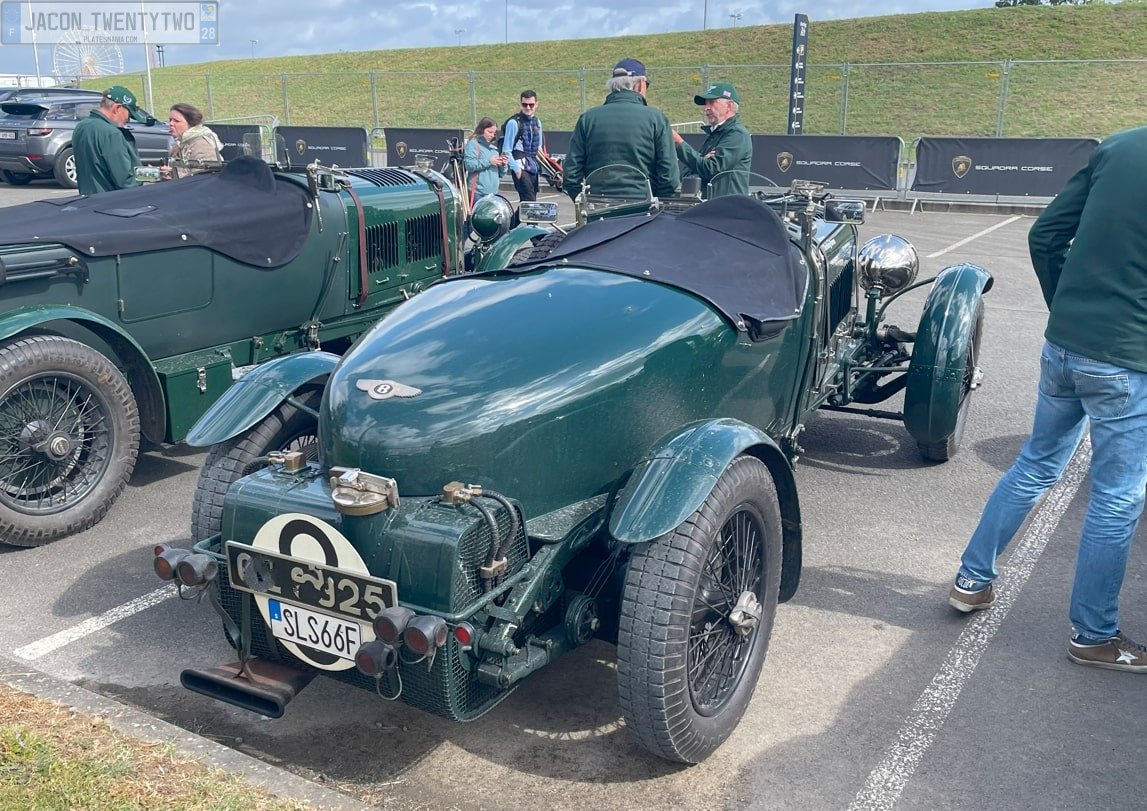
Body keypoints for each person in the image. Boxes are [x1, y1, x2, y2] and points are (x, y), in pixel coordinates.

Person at [947, 125, 1147, 674]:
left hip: (1066, 343)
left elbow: (1045, 235)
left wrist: (1065, 307)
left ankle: (972, 579)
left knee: (1036, 464)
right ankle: (1094, 634)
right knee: (1117, 497)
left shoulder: (1120, 146)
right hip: (1126, 357)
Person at [561, 58, 680, 201]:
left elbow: (571, 173)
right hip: (642, 205)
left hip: (597, 205)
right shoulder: (656, 118)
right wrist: (657, 202)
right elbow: (669, 177)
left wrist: (583, 201)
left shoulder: (587, 119)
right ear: (641, 85)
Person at [672, 82, 752, 198]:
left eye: (712, 102)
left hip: (727, 205)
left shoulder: (737, 134)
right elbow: (686, 174)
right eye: (706, 103)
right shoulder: (717, 134)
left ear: (729, 105)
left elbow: (710, 169)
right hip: (713, 204)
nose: (706, 108)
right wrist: (702, 161)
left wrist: (679, 144)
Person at [72, 85, 148, 195]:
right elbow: (125, 181)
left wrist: (153, 173)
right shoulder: (112, 134)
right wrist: (145, 177)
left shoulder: (81, 127)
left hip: (87, 199)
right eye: (129, 114)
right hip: (111, 201)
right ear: (117, 108)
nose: (129, 120)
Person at [501, 90, 543, 203]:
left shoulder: (537, 122)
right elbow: (506, 150)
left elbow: (539, 148)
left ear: (536, 104)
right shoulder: (513, 123)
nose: (528, 107)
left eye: (531, 105)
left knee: (528, 204)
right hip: (520, 166)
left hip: (533, 167)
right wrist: (517, 170)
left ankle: (514, 217)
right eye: (525, 104)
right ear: (520, 104)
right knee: (529, 202)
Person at [163, 103, 223, 179]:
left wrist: (172, 174)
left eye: (176, 121)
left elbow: (203, 177)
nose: (171, 124)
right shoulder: (181, 143)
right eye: (170, 120)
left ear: (190, 124)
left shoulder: (201, 144)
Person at [463, 117, 508, 207]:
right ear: (481, 130)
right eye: (489, 132)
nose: (492, 135)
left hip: (493, 193)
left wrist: (503, 164)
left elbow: (501, 174)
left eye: (494, 133)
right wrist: (489, 161)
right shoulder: (473, 144)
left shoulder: (494, 149)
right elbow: (469, 165)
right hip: (477, 192)